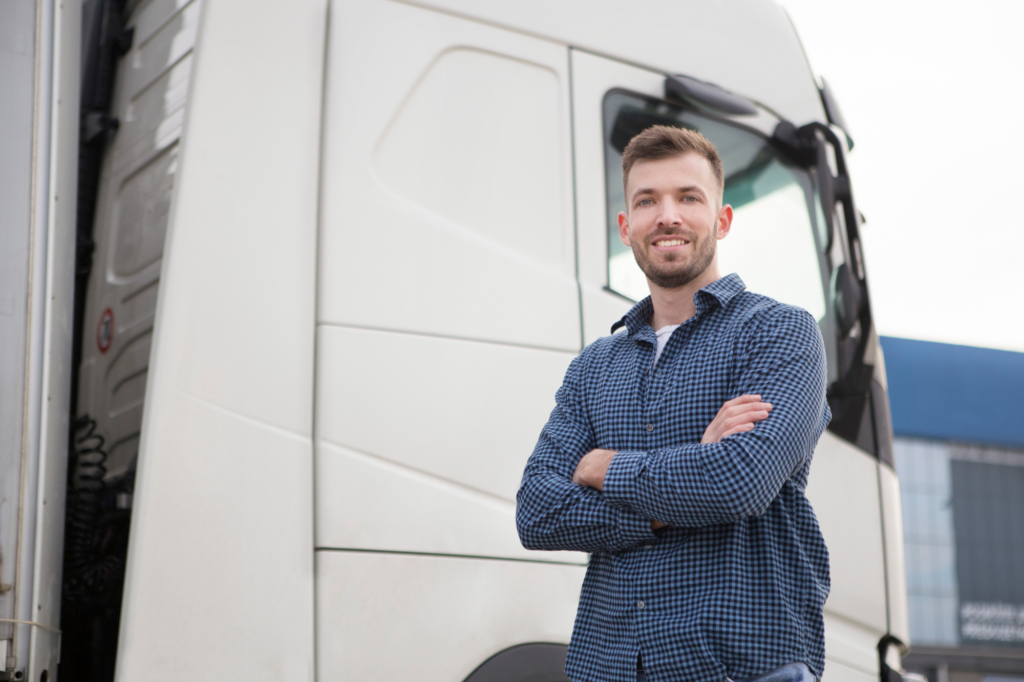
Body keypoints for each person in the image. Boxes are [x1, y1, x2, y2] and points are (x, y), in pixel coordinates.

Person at [516, 125, 831, 682]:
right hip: (612, 667)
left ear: (722, 219)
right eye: (647, 201)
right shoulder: (595, 366)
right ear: (626, 226)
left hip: (741, 666)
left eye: (689, 197)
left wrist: (604, 467)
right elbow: (538, 513)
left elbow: (739, 481)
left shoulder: (780, 333)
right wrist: (679, 489)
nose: (668, 216)